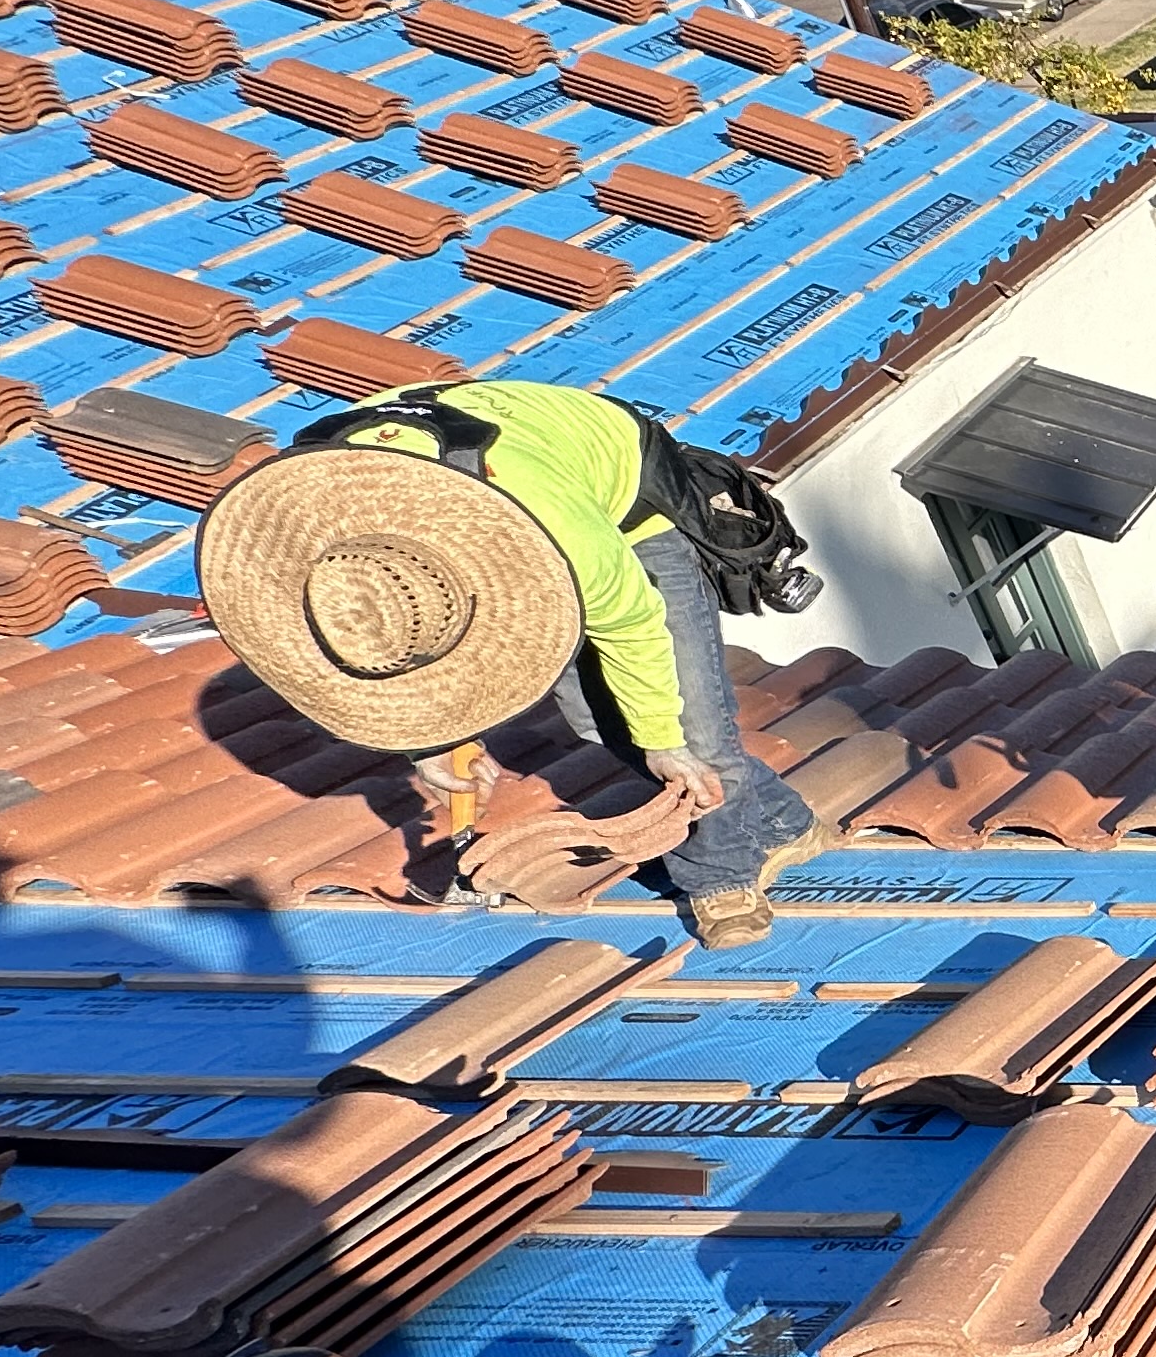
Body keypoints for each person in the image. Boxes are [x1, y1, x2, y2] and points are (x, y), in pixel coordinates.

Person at [196, 380, 822, 948]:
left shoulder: (565, 535)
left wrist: (661, 739)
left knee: (691, 727)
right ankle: (787, 823)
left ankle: (721, 871)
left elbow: (633, 622)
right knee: (594, 717)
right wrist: (434, 741)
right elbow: (409, 634)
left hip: (621, 496)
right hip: (454, 504)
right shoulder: (334, 551)